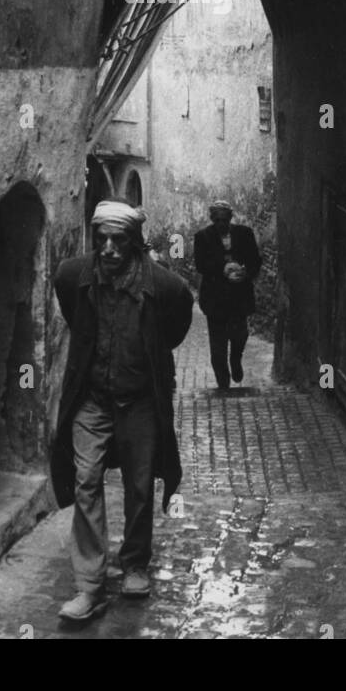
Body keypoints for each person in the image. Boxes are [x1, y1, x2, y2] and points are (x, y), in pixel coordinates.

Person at [51, 200, 193, 623]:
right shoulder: (73, 277)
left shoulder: (165, 288)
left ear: (134, 243)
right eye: (102, 240)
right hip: (92, 398)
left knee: (139, 482)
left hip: (140, 399)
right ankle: (89, 587)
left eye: (118, 240)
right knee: (86, 480)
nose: (109, 249)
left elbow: (175, 329)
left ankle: (134, 563)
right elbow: (75, 317)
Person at [193, 199, 261, 391]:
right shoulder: (203, 237)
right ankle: (223, 382)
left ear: (230, 218)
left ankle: (236, 358)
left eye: (224, 220)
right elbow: (201, 265)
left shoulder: (244, 234)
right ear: (212, 219)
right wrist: (222, 269)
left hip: (239, 298)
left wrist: (245, 272)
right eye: (217, 220)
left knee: (240, 335)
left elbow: (255, 261)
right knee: (218, 344)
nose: (221, 224)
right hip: (215, 299)